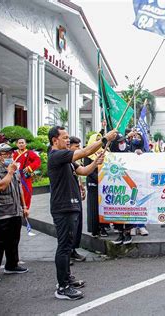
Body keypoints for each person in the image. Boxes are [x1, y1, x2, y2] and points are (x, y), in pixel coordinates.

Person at [48, 126, 116, 300]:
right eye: (64, 138)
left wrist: (95, 162)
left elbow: (84, 171)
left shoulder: (66, 159)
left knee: (68, 244)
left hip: (71, 207)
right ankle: (62, 287)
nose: (68, 140)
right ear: (55, 140)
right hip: (63, 208)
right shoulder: (57, 155)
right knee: (64, 247)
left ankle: (67, 279)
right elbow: (85, 151)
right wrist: (105, 140)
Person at [0, 143, 29, 283]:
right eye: (6, 154)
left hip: (15, 212)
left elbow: (20, 188)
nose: (10, 156)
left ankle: (12, 265)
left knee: (13, 241)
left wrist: (24, 206)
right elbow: (0, 186)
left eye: (11, 154)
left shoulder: (15, 170)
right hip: (0, 213)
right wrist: (10, 172)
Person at [84, 133, 108, 238]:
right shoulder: (88, 155)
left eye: (100, 140)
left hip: (103, 185)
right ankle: (95, 229)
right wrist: (99, 179)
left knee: (103, 206)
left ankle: (103, 227)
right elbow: (88, 170)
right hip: (93, 183)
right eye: (96, 140)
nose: (98, 142)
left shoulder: (104, 153)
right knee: (94, 207)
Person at [68, 136, 86, 263]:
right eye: (76, 146)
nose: (79, 149)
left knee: (77, 225)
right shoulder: (60, 158)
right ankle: (66, 254)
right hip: (66, 200)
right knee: (68, 229)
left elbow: (81, 172)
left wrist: (81, 186)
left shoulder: (73, 162)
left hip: (76, 196)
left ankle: (73, 250)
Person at [12, 138, 41, 210]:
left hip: (25, 176)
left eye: (22, 143)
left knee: (27, 192)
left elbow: (38, 160)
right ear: (17, 144)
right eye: (19, 143)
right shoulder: (14, 154)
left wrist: (30, 167)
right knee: (16, 192)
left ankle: (26, 209)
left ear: (25, 144)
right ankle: (18, 209)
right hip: (16, 176)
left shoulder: (30, 153)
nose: (21, 144)